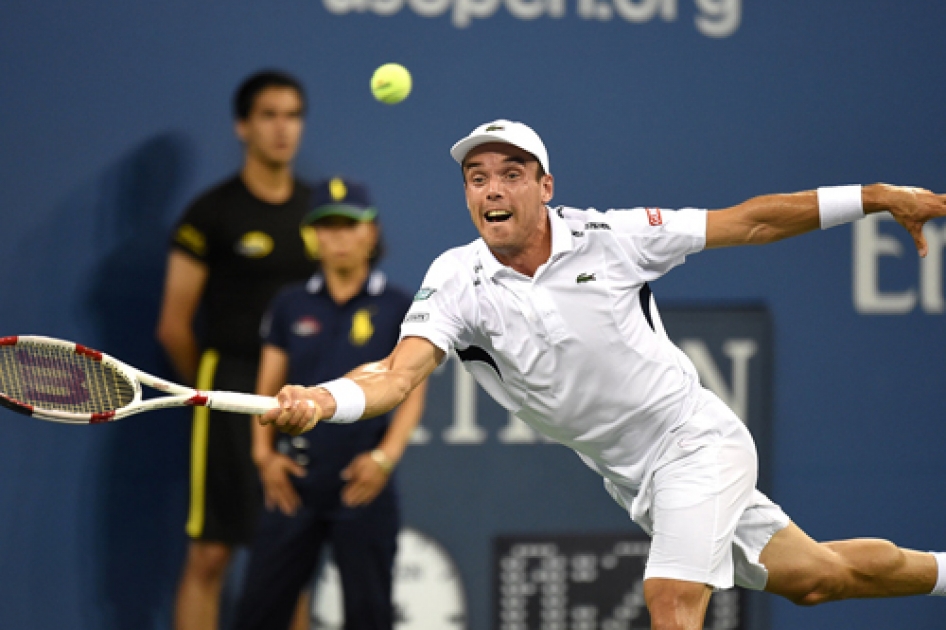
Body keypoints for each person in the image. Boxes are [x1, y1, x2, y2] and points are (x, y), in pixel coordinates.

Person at [260, 119, 946, 630]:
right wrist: (324, 400)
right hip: (633, 480)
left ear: (545, 187)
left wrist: (877, 194)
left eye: (511, 173)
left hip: (697, 444)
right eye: (477, 178)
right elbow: (396, 373)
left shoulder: (615, 238)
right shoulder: (456, 277)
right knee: (819, 579)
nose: (492, 188)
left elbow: (753, 223)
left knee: (671, 599)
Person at [157, 70, 317, 630]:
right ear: (243, 126)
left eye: (292, 115)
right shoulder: (210, 214)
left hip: (297, 395)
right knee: (212, 552)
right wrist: (206, 396)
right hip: (226, 383)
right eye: (269, 115)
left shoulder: (319, 215)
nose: (282, 129)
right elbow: (174, 326)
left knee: (289, 557)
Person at [231, 177, 427, 630]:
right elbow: (267, 392)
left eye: (349, 224)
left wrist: (383, 458)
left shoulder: (399, 306)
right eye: (327, 226)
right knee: (257, 615)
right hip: (294, 482)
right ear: (313, 236)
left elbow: (412, 394)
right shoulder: (289, 305)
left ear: (371, 233)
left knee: (369, 617)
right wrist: (265, 459)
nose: (338, 236)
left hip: (362, 485)